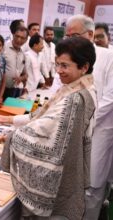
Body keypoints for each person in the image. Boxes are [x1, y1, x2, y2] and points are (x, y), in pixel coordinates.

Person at [0, 37, 97, 219]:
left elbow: (42, 132)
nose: (58, 71)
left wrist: (4, 137)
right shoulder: (83, 87)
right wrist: (4, 119)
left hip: (58, 182)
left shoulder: (76, 98)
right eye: (57, 64)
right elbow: (42, 117)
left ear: (84, 67)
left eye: (65, 66)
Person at [59, 14, 113, 220]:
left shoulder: (108, 57)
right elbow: (60, 92)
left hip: (99, 131)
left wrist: (84, 119)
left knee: (92, 186)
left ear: (90, 34)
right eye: (66, 36)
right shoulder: (69, 58)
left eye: (73, 35)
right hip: (71, 130)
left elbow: (110, 97)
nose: (68, 39)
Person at [3, 26, 28, 99]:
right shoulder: (3, 49)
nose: (19, 39)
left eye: (22, 38)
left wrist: (21, 78)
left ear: (26, 40)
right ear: (13, 35)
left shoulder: (23, 54)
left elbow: (25, 74)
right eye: (17, 36)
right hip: (0, 90)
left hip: (14, 90)